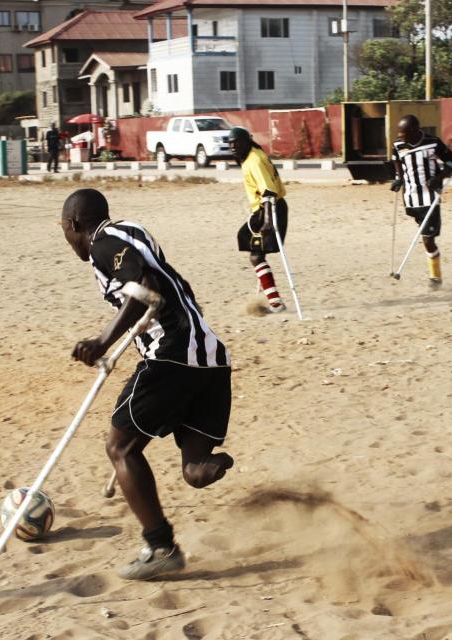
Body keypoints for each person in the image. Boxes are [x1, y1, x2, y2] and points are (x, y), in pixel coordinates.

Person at [60, 188, 234, 580]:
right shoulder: (132, 230)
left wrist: (102, 341)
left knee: (119, 447)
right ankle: (206, 466)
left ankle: (160, 546)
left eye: (65, 230)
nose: (67, 238)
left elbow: (146, 286)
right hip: (211, 357)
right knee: (194, 469)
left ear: (73, 225)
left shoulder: (102, 242)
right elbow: (169, 283)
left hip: (171, 354)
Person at [390, 114, 452, 287]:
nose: (400, 136)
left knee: (428, 239)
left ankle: (435, 278)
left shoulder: (433, 143)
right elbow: (397, 162)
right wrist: (398, 178)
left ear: (414, 130)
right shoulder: (398, 145)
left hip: (430, 199)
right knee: (425, 236)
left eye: (403, 133)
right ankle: (434, 271)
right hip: (411, 199)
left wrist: (439, 178)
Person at [229, 126, 288, 313]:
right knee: (256, 253)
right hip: (265, 209)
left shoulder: (254, 160)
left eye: (236, 143)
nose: (232, 147)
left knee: (255, 255)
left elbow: (268, 191)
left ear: (246, 142)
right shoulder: (252, 155)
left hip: (269, 209)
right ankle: (274, 301)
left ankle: (276, 303)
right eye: (230, 144)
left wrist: (268, 221)